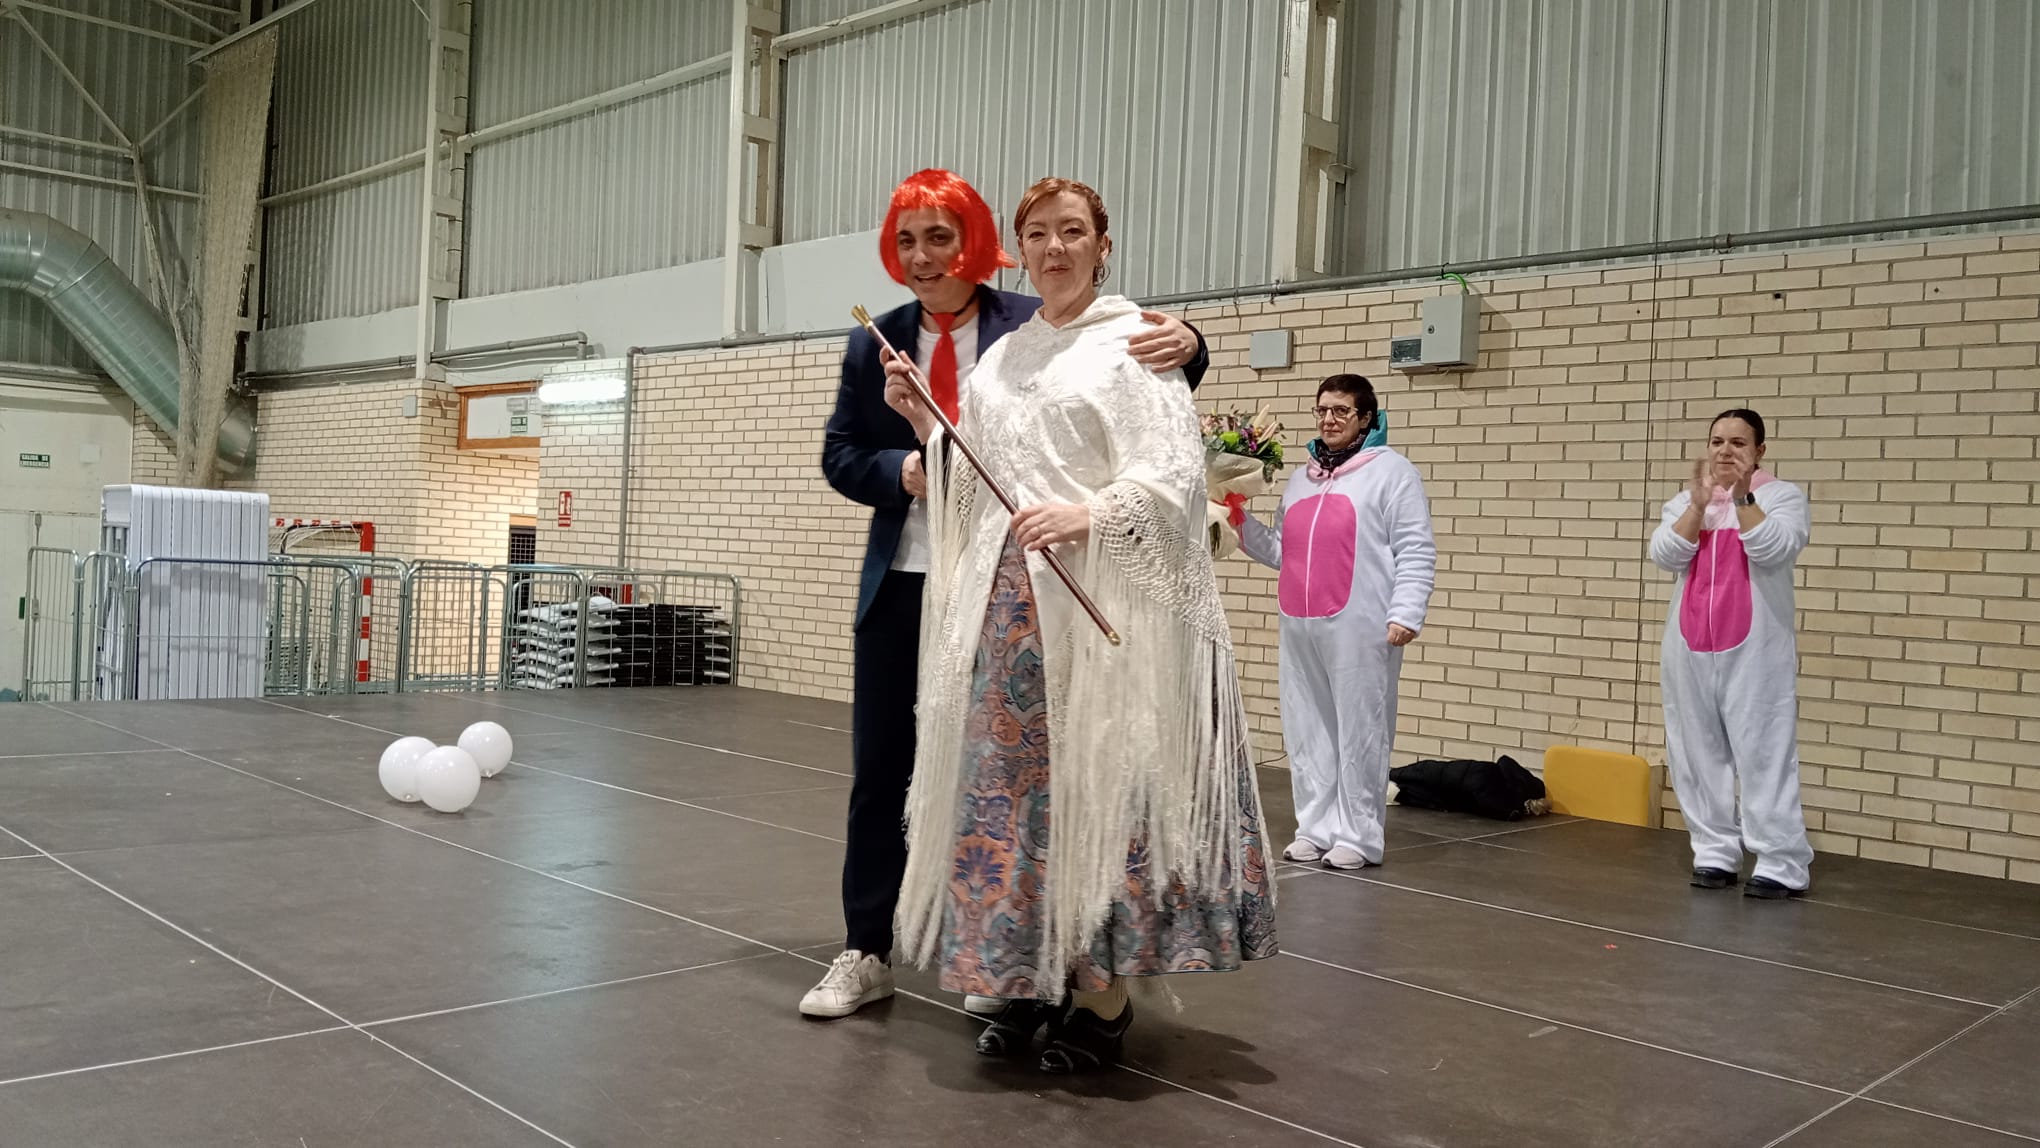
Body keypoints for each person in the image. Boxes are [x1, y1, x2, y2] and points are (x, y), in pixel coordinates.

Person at [883, 176, 1275, 1073]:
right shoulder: (1002, 360)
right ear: (1018, 250)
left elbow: (1174, 475)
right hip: (1008, 615)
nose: (1054, 248)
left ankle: (1098, 1000)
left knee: (1097, 795)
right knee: (1013, 803)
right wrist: (926, 425)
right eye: (1037, 234)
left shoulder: (1136, 346)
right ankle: (1023, 980)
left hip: (1100, 609)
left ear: (1103, 245)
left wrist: (1091, 513)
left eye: (1072, 232)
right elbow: (981, 474)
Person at [807, 170, 1209, 1019]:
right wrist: (913, 459)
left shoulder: (1030, 320)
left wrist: (1190, 337)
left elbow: (1132, 371)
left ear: (981, 243)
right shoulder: (878, 341)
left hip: (1044, 584)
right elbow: (842, 454)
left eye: (940, 237)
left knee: (1058, 775)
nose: (922, 257)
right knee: (907, 773)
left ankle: (1056, 967)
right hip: (920, 580)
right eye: (906, 241)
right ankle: (873, 948)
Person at [1238, 375, 1435, 869]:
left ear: (1365, 418)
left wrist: (1406, 612)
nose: (1329, 419)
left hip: (1362, 622)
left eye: (1341, 411)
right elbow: (1283, 551)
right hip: (1300, 622)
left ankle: (1359, 835)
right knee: (1308, 730)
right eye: (1322, 410)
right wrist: (1235, 520)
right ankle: (1316, 827)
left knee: (1360, 729)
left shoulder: (1392, 473)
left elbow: (1414, 548)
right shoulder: (1302, 477)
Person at [1648, 408, 1813, 899]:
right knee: (1695, 750)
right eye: (1717, 441)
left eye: (1738, 443)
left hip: (1756, 648)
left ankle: (1782, 862)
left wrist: (1741, 498)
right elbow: (1664, 555)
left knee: (1763, 751)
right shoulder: (1686, 500)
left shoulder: (1783, 497)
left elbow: (1774, 549)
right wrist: (1698, 508)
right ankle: (1715, 852)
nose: (1725, 451)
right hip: (1690, 645)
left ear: (1759, 451)